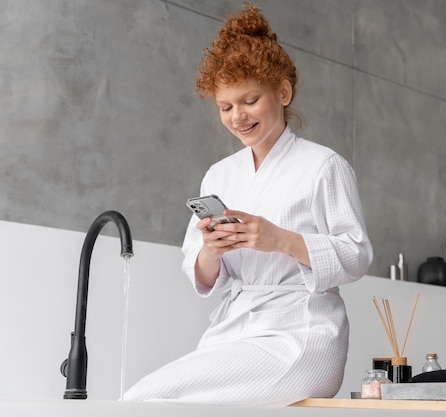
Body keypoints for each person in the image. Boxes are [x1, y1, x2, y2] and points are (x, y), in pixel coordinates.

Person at [124, 3, 372, 407]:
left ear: (283, 92)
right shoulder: (219, 175)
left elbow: (357, 255)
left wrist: (279, 239)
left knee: (144, 399)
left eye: (250, 100)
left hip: (302, 334)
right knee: (149, 400)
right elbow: (201, 275)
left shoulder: (324, 166)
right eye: (225, 107)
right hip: (234, 330)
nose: (237, 116)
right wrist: (212, 249)